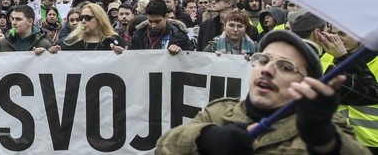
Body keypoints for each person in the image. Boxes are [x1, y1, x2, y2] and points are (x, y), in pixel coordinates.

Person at [155, 30, 370, 155]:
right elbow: (164, 148)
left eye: (285, 67)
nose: (267, 70)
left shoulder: (326, 127)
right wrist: (206, 138)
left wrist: (325, 142)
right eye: (264, 60)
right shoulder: (218, 112)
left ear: (307, 83)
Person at [61, 3, 126, 53]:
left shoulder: (114, 40)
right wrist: (54, 52)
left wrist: (123, 53)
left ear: (99, 19)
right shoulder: (72, 41)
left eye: (87, 18)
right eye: (81, 18)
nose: (83, 21)